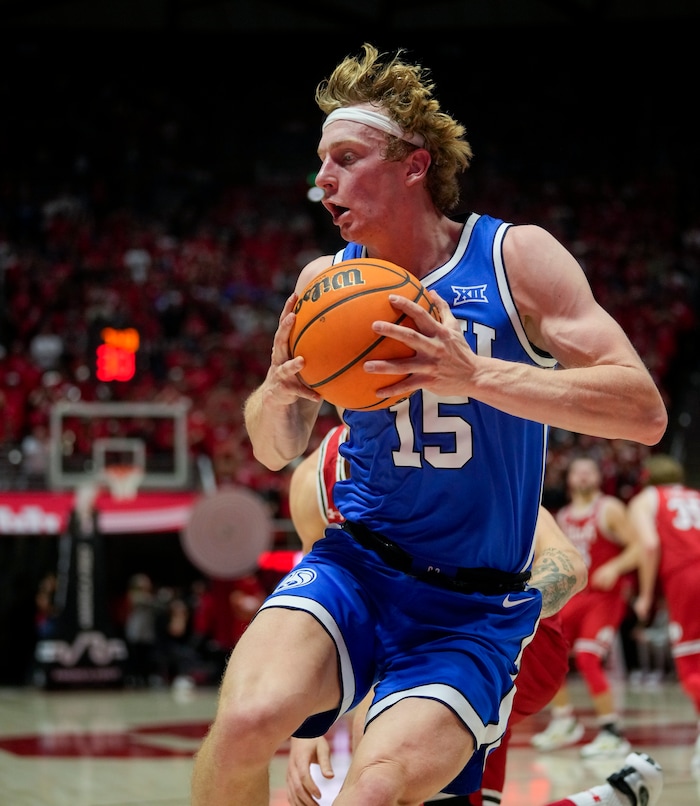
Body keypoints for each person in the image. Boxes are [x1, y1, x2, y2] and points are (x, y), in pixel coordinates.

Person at [191, 42, 666, 806]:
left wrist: (476, 375)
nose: (322, 182)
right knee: (246, 720)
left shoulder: (515, 258)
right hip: (358, 566)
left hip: (472, 605)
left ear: (414, 165)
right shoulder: (324, 283)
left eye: (345, 158)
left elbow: (642, 410)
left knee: (373, 793)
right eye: (320, 162)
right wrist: (282, 394)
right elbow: (274, 448)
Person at [286, 424, 662, 806]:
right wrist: (307, 724)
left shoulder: (457, 454)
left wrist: (491, 621)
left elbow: (568, 565)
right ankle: (611, 798)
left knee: (379, 763)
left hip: (510, 639)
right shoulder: (315, 479)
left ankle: (605, 741)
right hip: (412, 644)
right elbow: (323, 610)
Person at [532, 456, 641, 758]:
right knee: (543, 648)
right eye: (578, 471)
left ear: (598, 477)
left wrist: (615, 567)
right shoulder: (564, 516)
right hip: (577, 596)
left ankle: (612, 731)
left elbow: (639, 547)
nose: (583, 476)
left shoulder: (609, 508)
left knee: (587, 656)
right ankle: (564, 720)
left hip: (604, 597)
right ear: (569, 479)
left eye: (589, 471)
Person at [628, 453, 700, 769]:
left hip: (687, 577)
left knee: (691, 667)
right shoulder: (695, 495)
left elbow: (649, 544)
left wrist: (645, 595)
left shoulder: (647, 498)